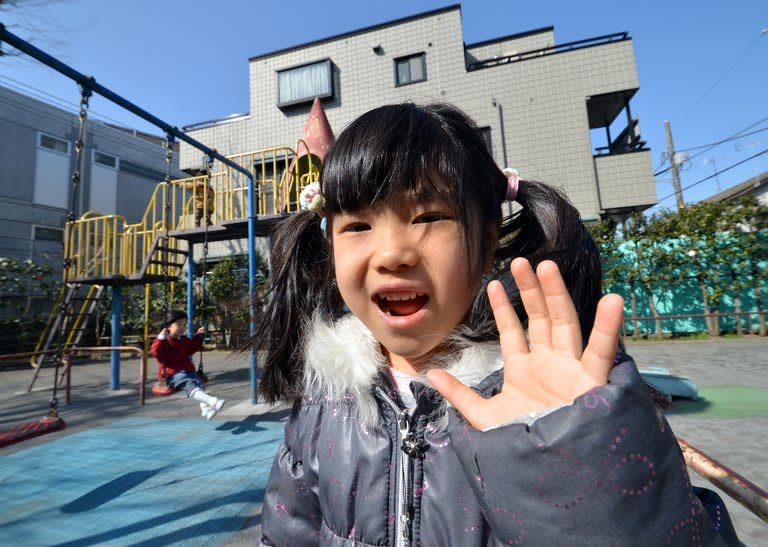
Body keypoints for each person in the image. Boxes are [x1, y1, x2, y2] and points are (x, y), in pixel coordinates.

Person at [249, 103, 735, 545]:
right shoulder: (322, 403)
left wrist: (583, 470)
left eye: (429, 216)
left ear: (487, 241)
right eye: (357, 225)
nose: (392, 254)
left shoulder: (570, 402)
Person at [151, 310, 225, 420]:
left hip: (188, 371)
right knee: (190, 383)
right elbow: (156, 351)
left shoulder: (183, 339)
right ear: (168, 326)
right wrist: (161, 337)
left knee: (198, 383)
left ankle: (205, 408)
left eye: (185, 324)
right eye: (179, 324)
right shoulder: (165, 341)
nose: (182, 327)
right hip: (173, 374)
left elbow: (192, 347)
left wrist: (198, 336)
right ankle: (212, 401)